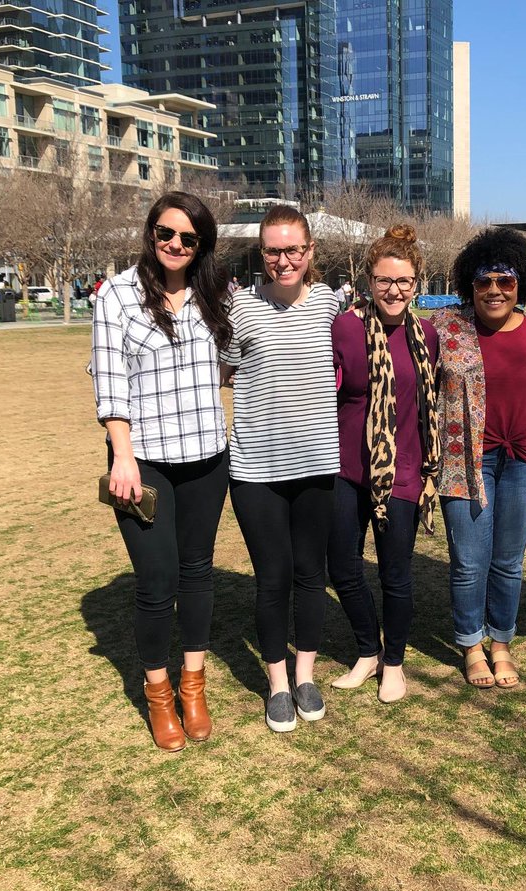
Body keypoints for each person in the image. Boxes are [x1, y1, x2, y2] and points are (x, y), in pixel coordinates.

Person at [90, 191, 233, 752]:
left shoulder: (217, 294)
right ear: (151, 234)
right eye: (165, 233)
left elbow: (239, 356)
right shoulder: (118, 295)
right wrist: (121, 455)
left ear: (202, 246)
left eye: (188, 238)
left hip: (205, 456)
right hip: (142, 460)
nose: (175, 244)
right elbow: (109, 379)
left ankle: (192, 685)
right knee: (156, 581)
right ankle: (158, 693)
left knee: (197, 572)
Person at [222, 205, 340, 733]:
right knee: (272, 578)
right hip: (256, 469)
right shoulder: (240, 309)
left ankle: (306, 673)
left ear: (310, 251)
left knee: (311, 574)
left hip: (317, 464)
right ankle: (277, 684)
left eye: (294, 249)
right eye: (274, 250)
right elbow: (219, 373)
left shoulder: (333, 307)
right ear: (262, 253)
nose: (284, 259)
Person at [431, 228, 526, 689]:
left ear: (521, 283)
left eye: (505, 280)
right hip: (467, 461)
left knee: (509, 561)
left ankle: (501, 642)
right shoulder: (447, 327)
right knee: (468, 560)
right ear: (470, 284)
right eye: (484, 281)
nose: (495, 290)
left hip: (524, 460)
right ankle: (471, 645)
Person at [327, 224, 441, 704]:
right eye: (384, 281)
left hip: (402, 473)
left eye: (404, 282)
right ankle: (367, 650)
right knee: (343, 566)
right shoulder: (346, 327)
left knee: (395, 574)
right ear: (368, 282)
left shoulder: (427, 336)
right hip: (345, 470)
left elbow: (428, 408)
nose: (394, 291)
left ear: (417, 283)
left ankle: (394, 662)